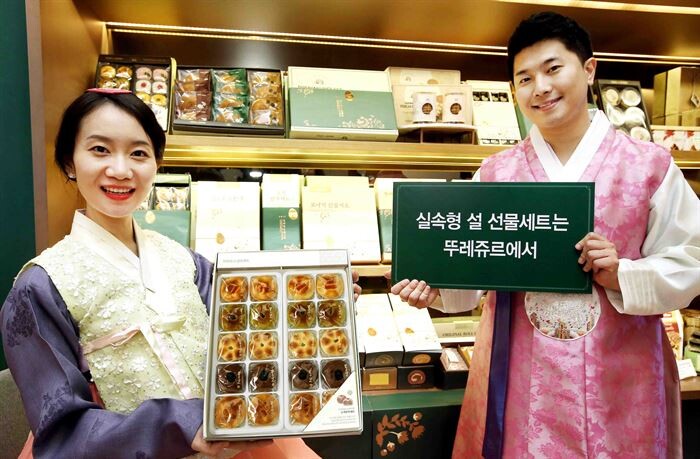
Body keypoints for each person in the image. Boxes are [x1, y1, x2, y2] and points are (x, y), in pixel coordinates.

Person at [391, 12, 700, 459]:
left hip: (620, 374)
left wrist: (623, 274)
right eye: (525, 78)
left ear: (589, 70)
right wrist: (436, 287)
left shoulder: (648, 165)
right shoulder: (497, 174)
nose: (540, 87)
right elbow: (473, 270)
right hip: (521, 374)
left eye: (553, 69)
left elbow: (691, 258)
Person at [0, 89, 361, 458]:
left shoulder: (185, 260)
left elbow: (252, 339)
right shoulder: (41, 287)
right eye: (100, 150)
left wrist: (317, 307)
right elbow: (62, 430)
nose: (121, 170)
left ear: (156, 164)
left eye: (138, 153)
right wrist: (182, 425)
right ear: (69, 162)